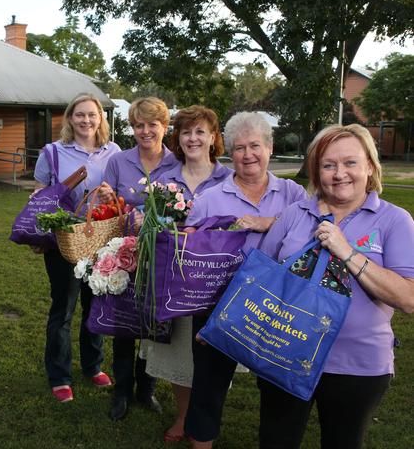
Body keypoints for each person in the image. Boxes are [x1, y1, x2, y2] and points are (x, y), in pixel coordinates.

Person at [257, 124, 414, 449]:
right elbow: (261, 276)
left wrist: (347, 252)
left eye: (350, 163)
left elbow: (408, 298)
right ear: (317, 171)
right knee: (276, 440)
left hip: (356, 365)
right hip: (284, 353)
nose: (339, 173)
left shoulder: (394, 220)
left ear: (370, 166)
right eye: (329, 165)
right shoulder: (294, 214)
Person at [183, 111, 307, 449]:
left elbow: (314, 229)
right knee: (208, 385)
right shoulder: (210, 199)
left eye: (255, 145)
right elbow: (189, 249)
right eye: (239, 148)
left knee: (277, 389)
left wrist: (266, 222)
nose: (248, 154)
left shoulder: (294, 194)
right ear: (230, 153)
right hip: (217, 306)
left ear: (269, 147)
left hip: (277, 308)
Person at [140, 105, 233, 442]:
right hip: (174, 282)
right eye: (186, 132)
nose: (193, 138)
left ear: (213, 137)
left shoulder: (229, 180)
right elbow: (148, 222)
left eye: (200, 131)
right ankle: (184, 417)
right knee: (180, 352)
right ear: (178, 138)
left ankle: (206, 417)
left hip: (215, 284)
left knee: (211, 357)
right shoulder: (165, 179)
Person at [33, 93, 121, 403]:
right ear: (70, 118)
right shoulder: (52, 152)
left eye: (92, 115)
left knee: (95, 305)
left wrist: (113, 193)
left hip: (102, 239)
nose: (86, 120)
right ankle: (59, 375)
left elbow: (120, 192)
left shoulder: (114, 152)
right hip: (65, 241)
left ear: (101, 119)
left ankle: (92, 365)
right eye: (80, 114)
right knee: (64, 308)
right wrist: (39, 231)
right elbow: (40, 193)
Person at [98, 96, 179, 420]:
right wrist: (109, 199)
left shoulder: (177, 163)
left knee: (153, 325)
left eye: (152, 124)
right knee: (124, 326)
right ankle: (121, 392)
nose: (145, 131)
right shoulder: (119, 161)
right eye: (138, 125)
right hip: (125, 254)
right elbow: (111, 211)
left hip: (161, 255)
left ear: (165, 126)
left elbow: (183, 208)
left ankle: (146, 389)